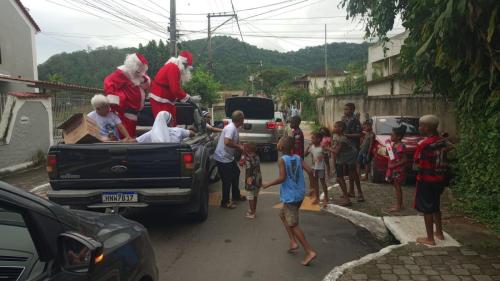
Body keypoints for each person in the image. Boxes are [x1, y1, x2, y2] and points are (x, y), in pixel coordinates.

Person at [262, 136, 317, 266]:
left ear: (280, 147)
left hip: (290, 197)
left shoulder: (282, 160)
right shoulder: (297, 158)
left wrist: (267, 184)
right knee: (283, 215)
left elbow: (282, 178)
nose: (278, 142)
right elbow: (310, 171)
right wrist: (312, 188)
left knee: (293, 224)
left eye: (279, 141)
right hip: (299, 194)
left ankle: (309, 251)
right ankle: (293, 242)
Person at [414, 115, 452, 246]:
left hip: (426, 179)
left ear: (426, 127)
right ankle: (439, 233)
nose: (419, 128)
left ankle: (430, 238)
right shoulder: (442, 141)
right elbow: (450, 147)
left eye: (420, 125)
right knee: (436, 205)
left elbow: (416, 164)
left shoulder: (423, 144)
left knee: (427, 208)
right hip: (440, 178)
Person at [104, 52, 150, 138]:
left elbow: (146, 83)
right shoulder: (122, 73)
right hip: (125, 110)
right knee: (126, 133)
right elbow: (109, 82)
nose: (139, 70)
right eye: (138, 67)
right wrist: (118, 100)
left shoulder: (138, 74)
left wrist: (145, 82)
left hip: (134, 111)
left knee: (131, 132)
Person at [149, 50, 200, 126]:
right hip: (160, 99)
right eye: (186, 66)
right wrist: (189, 98)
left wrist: (185, 97)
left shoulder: (174, 67)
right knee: (165, 125)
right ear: (184, 63)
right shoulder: (173, 68)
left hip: (165, 99)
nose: (186, 69)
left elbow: (176, 88)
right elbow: (175, 89)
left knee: (172, 123)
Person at [214, 110, 246, 209]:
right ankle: (225, 202)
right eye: (243, 119)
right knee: (227, 180)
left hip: (228, 157)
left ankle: (236, 195)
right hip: (222, 158)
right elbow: (227, 142)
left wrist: (240, 146)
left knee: (236, 173)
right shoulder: (231, 128)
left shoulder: (235, 128)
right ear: (240, 120)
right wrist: (238, 146)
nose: (244, 121)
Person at [328, 121, 362, 206]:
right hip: (343, 158)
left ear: (340, 129)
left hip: (349, 158)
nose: (334, 128)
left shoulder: (342, 139)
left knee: (342, 177)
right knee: (341, 177)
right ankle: (349, 194)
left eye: (335, 127)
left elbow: (336, 151)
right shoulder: (338, 137)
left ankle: (348, 199)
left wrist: (327, 148)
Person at [342, 103, 363, 198]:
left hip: (353, 148)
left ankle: (359, 193)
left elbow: (359, 134)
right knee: (349, 171)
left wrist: (346, 135)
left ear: (352, 110)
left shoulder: (355, 120)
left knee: (353, 171)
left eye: (347, 109)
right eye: (345, 109)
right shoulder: (343, 119)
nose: (345, 111)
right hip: (345, 148)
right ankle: (351, 191)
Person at [385, 125, 408, 212]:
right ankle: (399, 204)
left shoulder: (401, 146)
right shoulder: (394, 144)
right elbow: (391, 156)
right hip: (394, 169)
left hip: (398, 170)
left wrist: (394, 166)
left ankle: (399, 205)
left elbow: (404, 160)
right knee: (396, 186)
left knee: (398, 187)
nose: (390, 137)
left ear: (398, 137)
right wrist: (388, 146)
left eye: (392, 135)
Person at [305, 132, 328, 206]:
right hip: (314, 168)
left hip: (321, 168)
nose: (311, 140)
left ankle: (326, 198)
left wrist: (328, 168)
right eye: (312, 138)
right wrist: (307, 148)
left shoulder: (322, 147)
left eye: (313, 138)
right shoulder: (312, 147)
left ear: (319, 140)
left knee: (323, 182)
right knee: (316, 183)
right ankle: (317, 198)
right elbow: (305, 155)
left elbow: (326, 158)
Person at [243, 142, 262, 219]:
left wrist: (247, 179)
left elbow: (248, 170)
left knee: (250, 196)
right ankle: (254, 209)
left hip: (251, 179)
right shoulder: (257, 156)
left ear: (248, 150)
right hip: (258, 178)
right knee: (255, 195)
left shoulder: (248, 159)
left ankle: (252, 212)